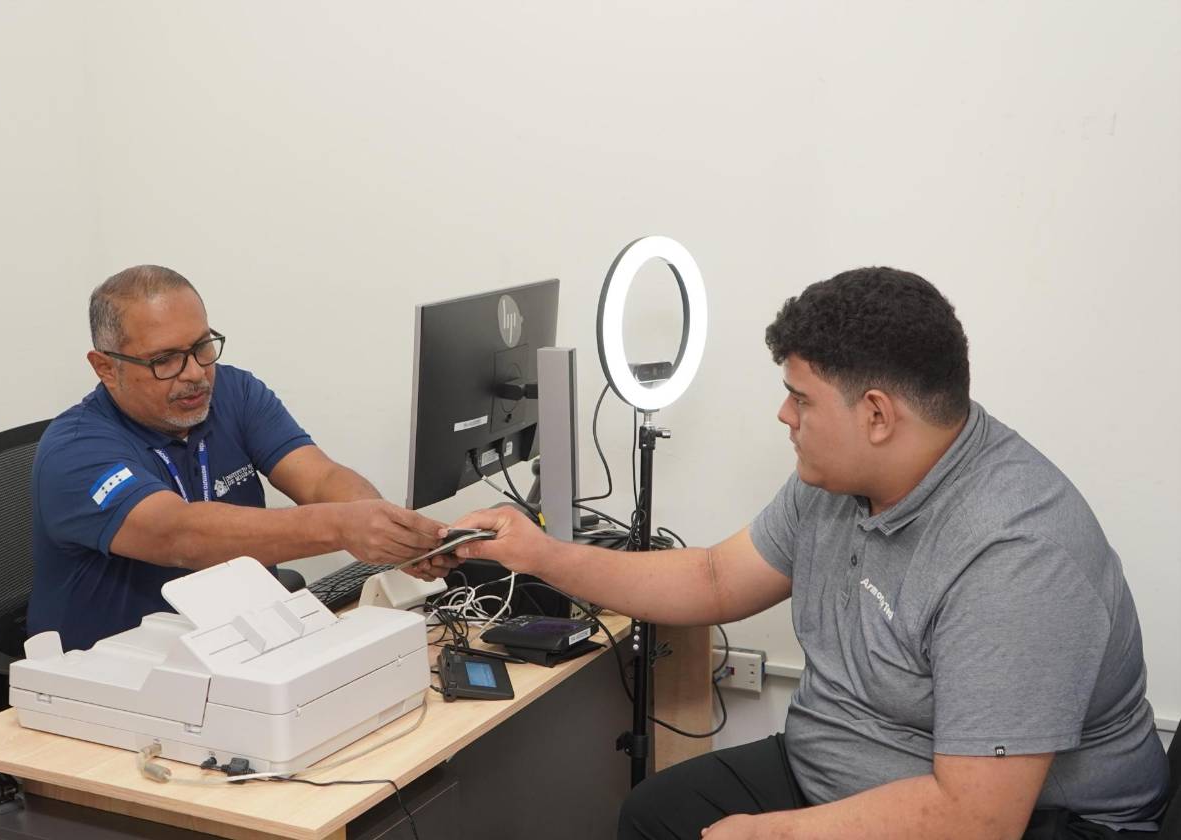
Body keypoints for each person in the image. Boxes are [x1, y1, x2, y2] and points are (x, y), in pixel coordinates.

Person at [445, 267, 1170, 839]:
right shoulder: (837, 481)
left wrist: (777, 834)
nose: (784, 414)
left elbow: (975, 819)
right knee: (655, 815)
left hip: (1031, 820)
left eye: (801, 398)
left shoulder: (1016, 557)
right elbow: (714, 577)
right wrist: (539, 554)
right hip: (846, 765)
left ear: (877, 414)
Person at [28, 265, 448, 651]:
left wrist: (389, 530)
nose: (195, 372)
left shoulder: (235, 392)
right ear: (105, 368)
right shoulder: (73, 450)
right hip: (122, 669)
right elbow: (179, 535)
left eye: (202, 347)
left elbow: (319, 478)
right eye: (164, 360)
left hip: (246, 643)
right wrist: (343, 527)